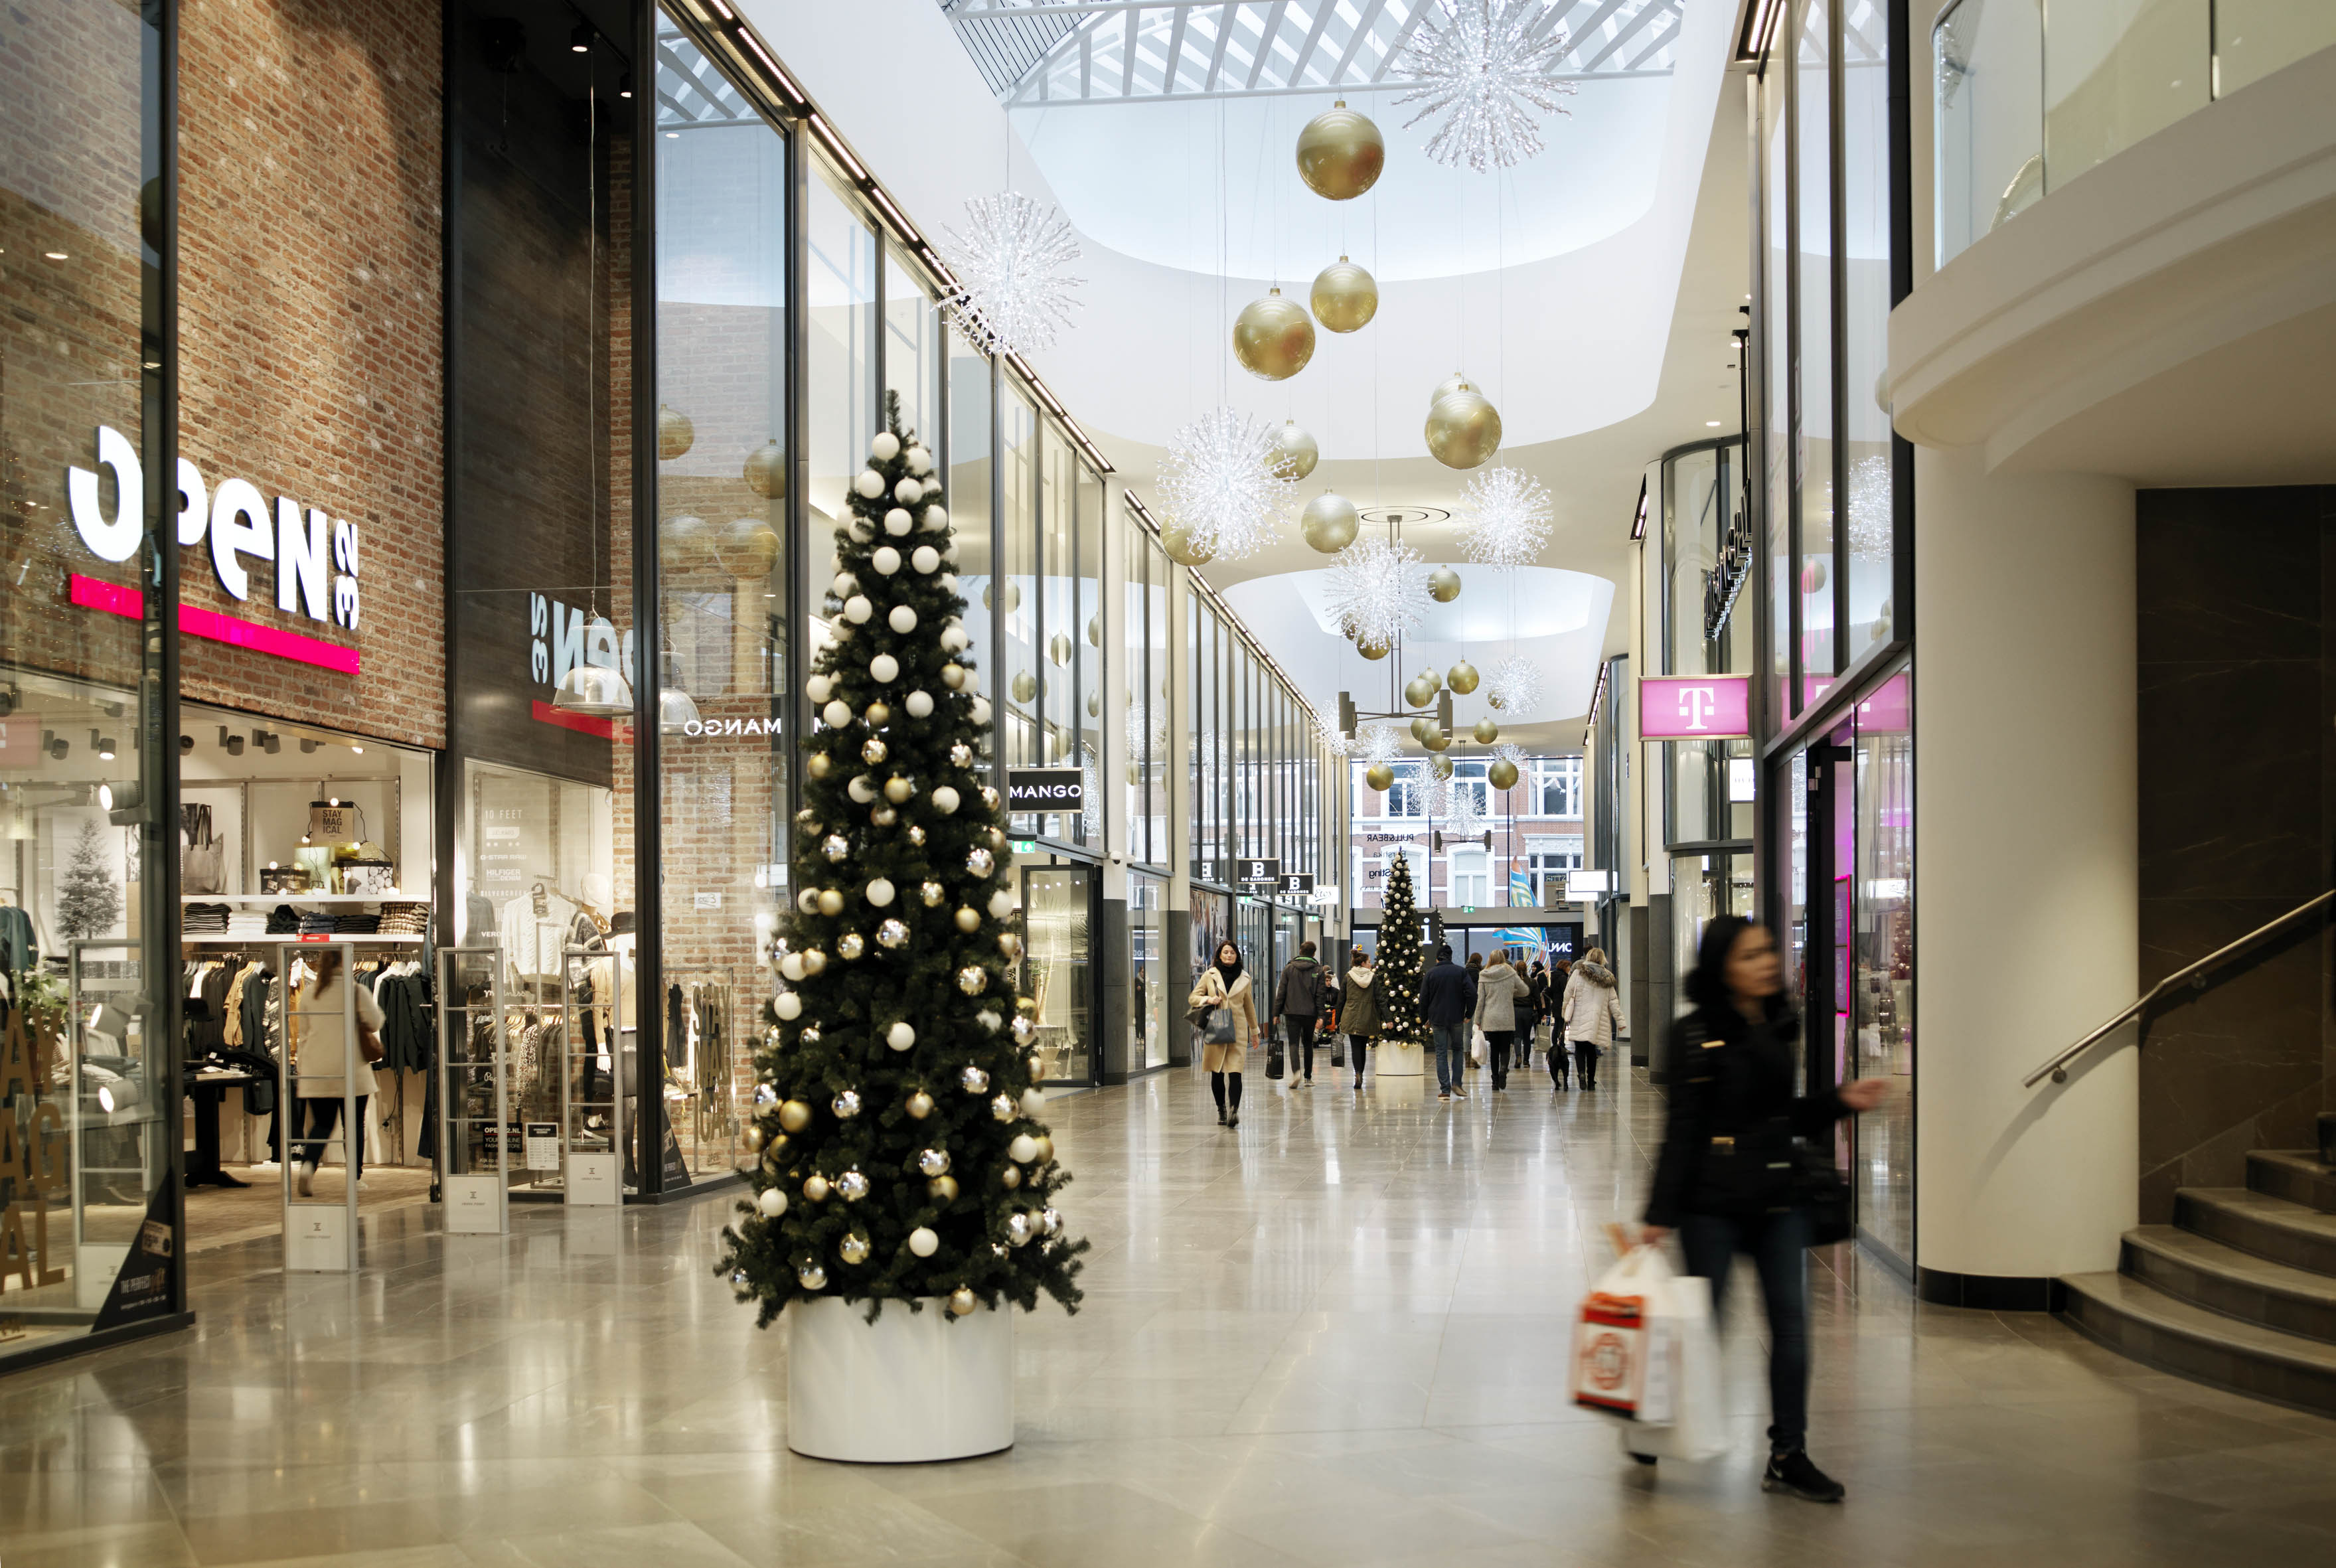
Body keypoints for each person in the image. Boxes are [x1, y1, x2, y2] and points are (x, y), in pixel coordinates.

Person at [1642, 915, 1889, 1504]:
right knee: (1705, 1331)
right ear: (1722, 966)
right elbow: (1683, 1130)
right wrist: (1659, 1213)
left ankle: (1787, 1455)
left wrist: (1838, 1102)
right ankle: (1654, 1422)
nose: (1767, 964)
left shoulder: (1779, 1023)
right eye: (1751, 955)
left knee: (1792, 1331)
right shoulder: (1693, 1032)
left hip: (1779, 1201)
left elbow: (1780, 1117)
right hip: (1712, 1208)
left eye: (1768, 953)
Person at [292, 948, 384, 1196]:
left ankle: (308, 1167)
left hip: (317, 1069)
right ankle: (354, 1178)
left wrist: (302, 1068)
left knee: (321, 1125)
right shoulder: (356, 991)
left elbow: (303, 1033)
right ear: (346, 962)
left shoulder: (311, 993)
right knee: (353, 1125)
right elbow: (375, 1022)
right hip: (351, 1068)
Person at [1188, 941, 1261, 1129]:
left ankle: (1234, 1110)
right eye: (1226, 952)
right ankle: (1221, 1108)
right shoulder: (1210, 975)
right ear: (1220, 955)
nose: (1229, 955)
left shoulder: (1245, 978)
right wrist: (1208, 999)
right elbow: (1193, 998)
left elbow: (1249, 1006)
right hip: (1217, 1027)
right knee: (1218, 1072)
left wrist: (1255, 1031)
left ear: (1237, 956)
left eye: (1232, 953)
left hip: (1237, 1030)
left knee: (1236, 1072)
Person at [1561, 947, 1624, 1090]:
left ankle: (1581, 1074)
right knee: (1591, 1050)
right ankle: (1590, 1081)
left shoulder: (1578, 973)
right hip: (1597, 1018)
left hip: (1579, 1015)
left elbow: (1568, 993)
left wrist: (1565, 1012)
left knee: (1579, 1049)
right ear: (1602, 959)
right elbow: (1613, 1001)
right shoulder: (1607, 976)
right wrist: (1620, 1021)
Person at [1420, 943, 1476, 1101]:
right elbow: (1472, 994)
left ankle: (1445, 1090)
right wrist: (1469, 1013)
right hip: (1457, 1018)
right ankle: (1457, 1083)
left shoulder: (1431, 974)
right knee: (1458, 1049)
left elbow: (1424, 998)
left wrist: (1424, 1018)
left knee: (1441, 1052)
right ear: (1451, 957)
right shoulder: (1461, 972)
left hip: (1437, 1019)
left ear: (1437, 958)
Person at [1272, 939, 1326, 1085]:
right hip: (1310, 1013)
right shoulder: (1319, 970)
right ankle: (1308, 1078)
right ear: (1314, 953)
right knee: (1308, 1043)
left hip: (1292, 1012)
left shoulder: (1289, 968)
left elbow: (1281, 993)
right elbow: (1320, 996)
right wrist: (1321, 1016)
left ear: (1300, 952)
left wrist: (1276, 1013)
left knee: (1293, 1043)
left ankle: (1296, 1072)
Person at [1473, 951, 1525, 1091]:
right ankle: (1504, 1069)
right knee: (1505, 1048)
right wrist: (1511, 992)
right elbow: (1525, 990)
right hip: (1507, 1017)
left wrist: (1477, 1019)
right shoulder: (1510, 972)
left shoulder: (1484, 974)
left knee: (1494, 1050)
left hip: (1490, 1018)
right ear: (1503, 959)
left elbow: (1481, 1000)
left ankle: (1495, 1081)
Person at [1339, 949, 1379, 1091]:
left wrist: (1337, 1019)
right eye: (1369, 962)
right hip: (1367, 1016)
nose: (1371, 965)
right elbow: (1380, 999)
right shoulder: (1373, 978)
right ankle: (1360, 1073)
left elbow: (1341, 1000)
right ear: (1363, 963)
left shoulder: (1348, 977)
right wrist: (1388, 1018)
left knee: (1355, 1047)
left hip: (1350, 1015)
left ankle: (1358, 1074)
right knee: (1363, 1047)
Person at [1547, 959, 1574, 1088]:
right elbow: (1566, 992)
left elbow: (1551, 991)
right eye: (1568, 967)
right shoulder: (1563, 978)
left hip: (1556, 1005)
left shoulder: (1554, 975)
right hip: (1562, 1005)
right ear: (1564, 967)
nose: (1569, 969)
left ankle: (1555, 1045)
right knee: (1561, 1027)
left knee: (1557, 1025)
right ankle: (1561, 1045)